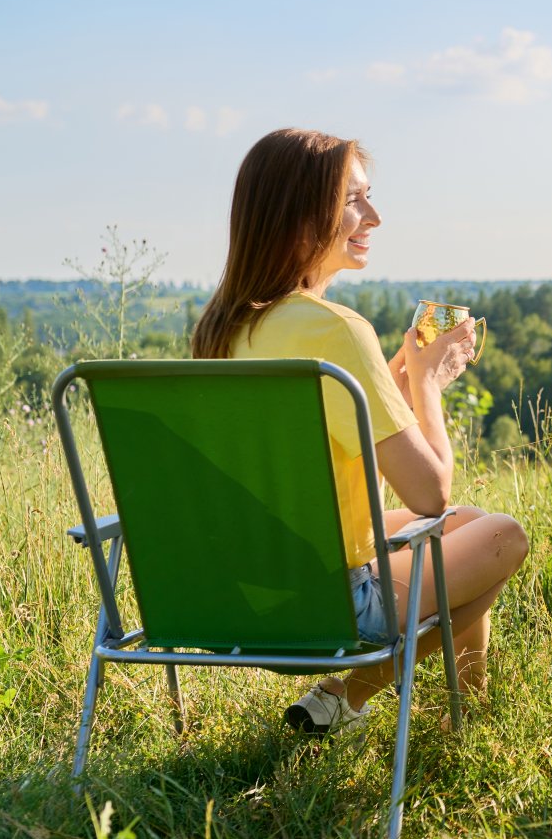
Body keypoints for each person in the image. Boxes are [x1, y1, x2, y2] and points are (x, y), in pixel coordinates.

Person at [191, 128, 529, 734]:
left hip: (231, 593)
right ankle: (348, 696)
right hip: (329, 607)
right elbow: (428, 493)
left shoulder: (221, 332)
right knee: (503, 538)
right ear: (299, 217)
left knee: (468, 526)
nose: (373, 215)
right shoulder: (338, 333)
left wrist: (395, 381)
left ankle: (469, 711)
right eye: (353, 200)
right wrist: (426, 384)